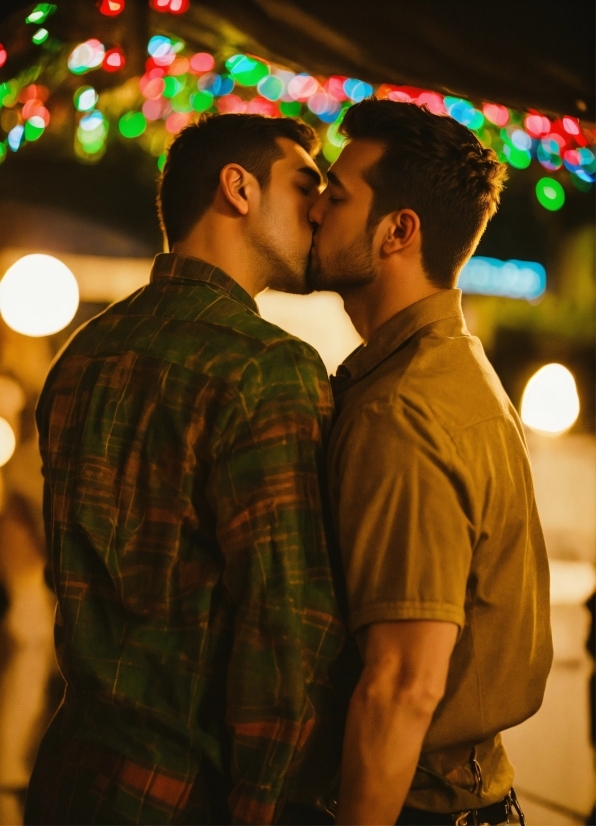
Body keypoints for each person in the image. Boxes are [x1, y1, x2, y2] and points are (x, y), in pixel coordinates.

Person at [25, 113, 348, 826]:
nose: (321, 209)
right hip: (186, 793)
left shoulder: (84, 353)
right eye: (305, 184)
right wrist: (263, 806)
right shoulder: (268, 366)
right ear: (238, 189)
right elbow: (286, 622)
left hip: (71, 771)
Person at [308, 98, 553, 826]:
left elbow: (403, 683)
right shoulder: (446, 367)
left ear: (398, 231)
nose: (316, 209)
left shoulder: (404, 409)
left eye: (337, 194)